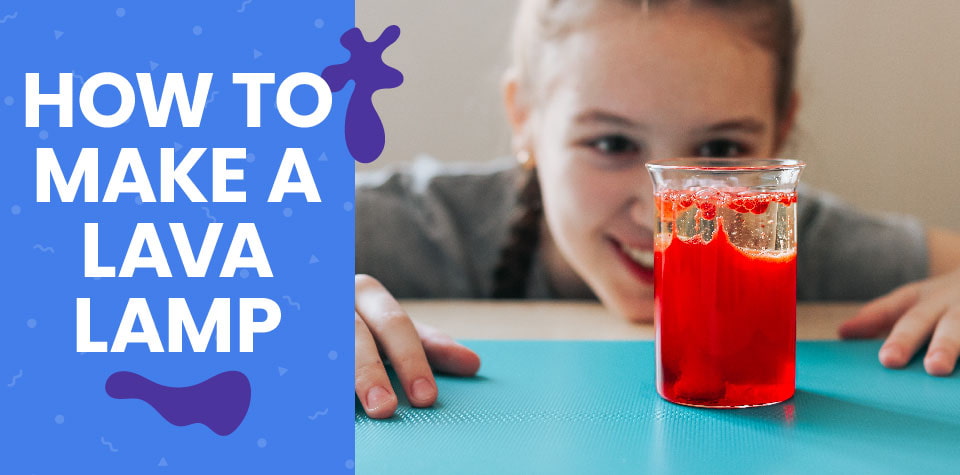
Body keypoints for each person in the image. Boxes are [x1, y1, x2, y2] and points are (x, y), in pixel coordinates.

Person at [354, 0, 960, 419]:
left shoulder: (800, 243)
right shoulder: (432, 225)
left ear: (781, 130)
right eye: (612, 144)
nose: (662, 210)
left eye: (720, 150)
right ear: (525, 121)